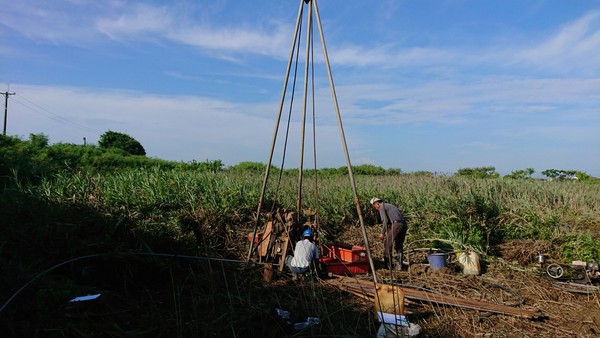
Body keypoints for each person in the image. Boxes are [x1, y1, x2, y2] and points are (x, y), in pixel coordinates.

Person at [370, 197, 408, 270]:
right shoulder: (390, 205)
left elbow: (385, 221)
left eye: (374, 206)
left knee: (387, 244)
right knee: (399, 245)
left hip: (396, 225)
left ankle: (388, 266)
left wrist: (382, 233)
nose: (376, 208)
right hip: (403, 225)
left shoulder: (382, 207)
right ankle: (399, 266)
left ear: (377, 204)